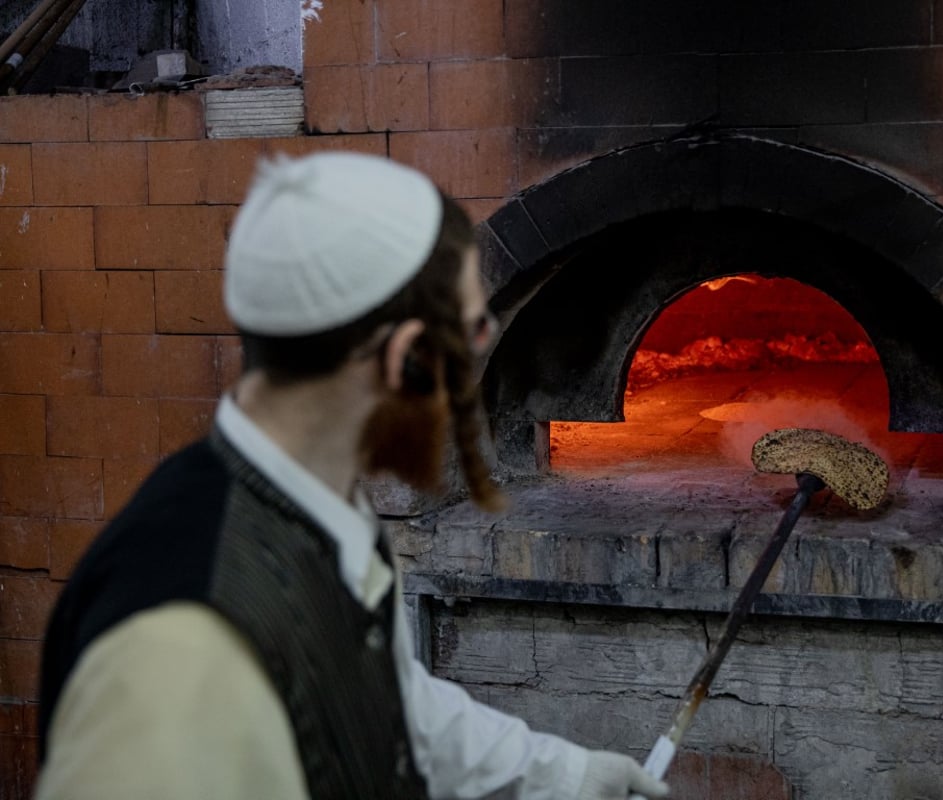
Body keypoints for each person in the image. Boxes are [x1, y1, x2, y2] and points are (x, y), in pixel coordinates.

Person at [35, 151, 671, 800]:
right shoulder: (180, 648)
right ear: (405, 359)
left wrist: (567, 775)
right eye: (474, 332)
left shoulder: (322, 506)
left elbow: (392, 707)